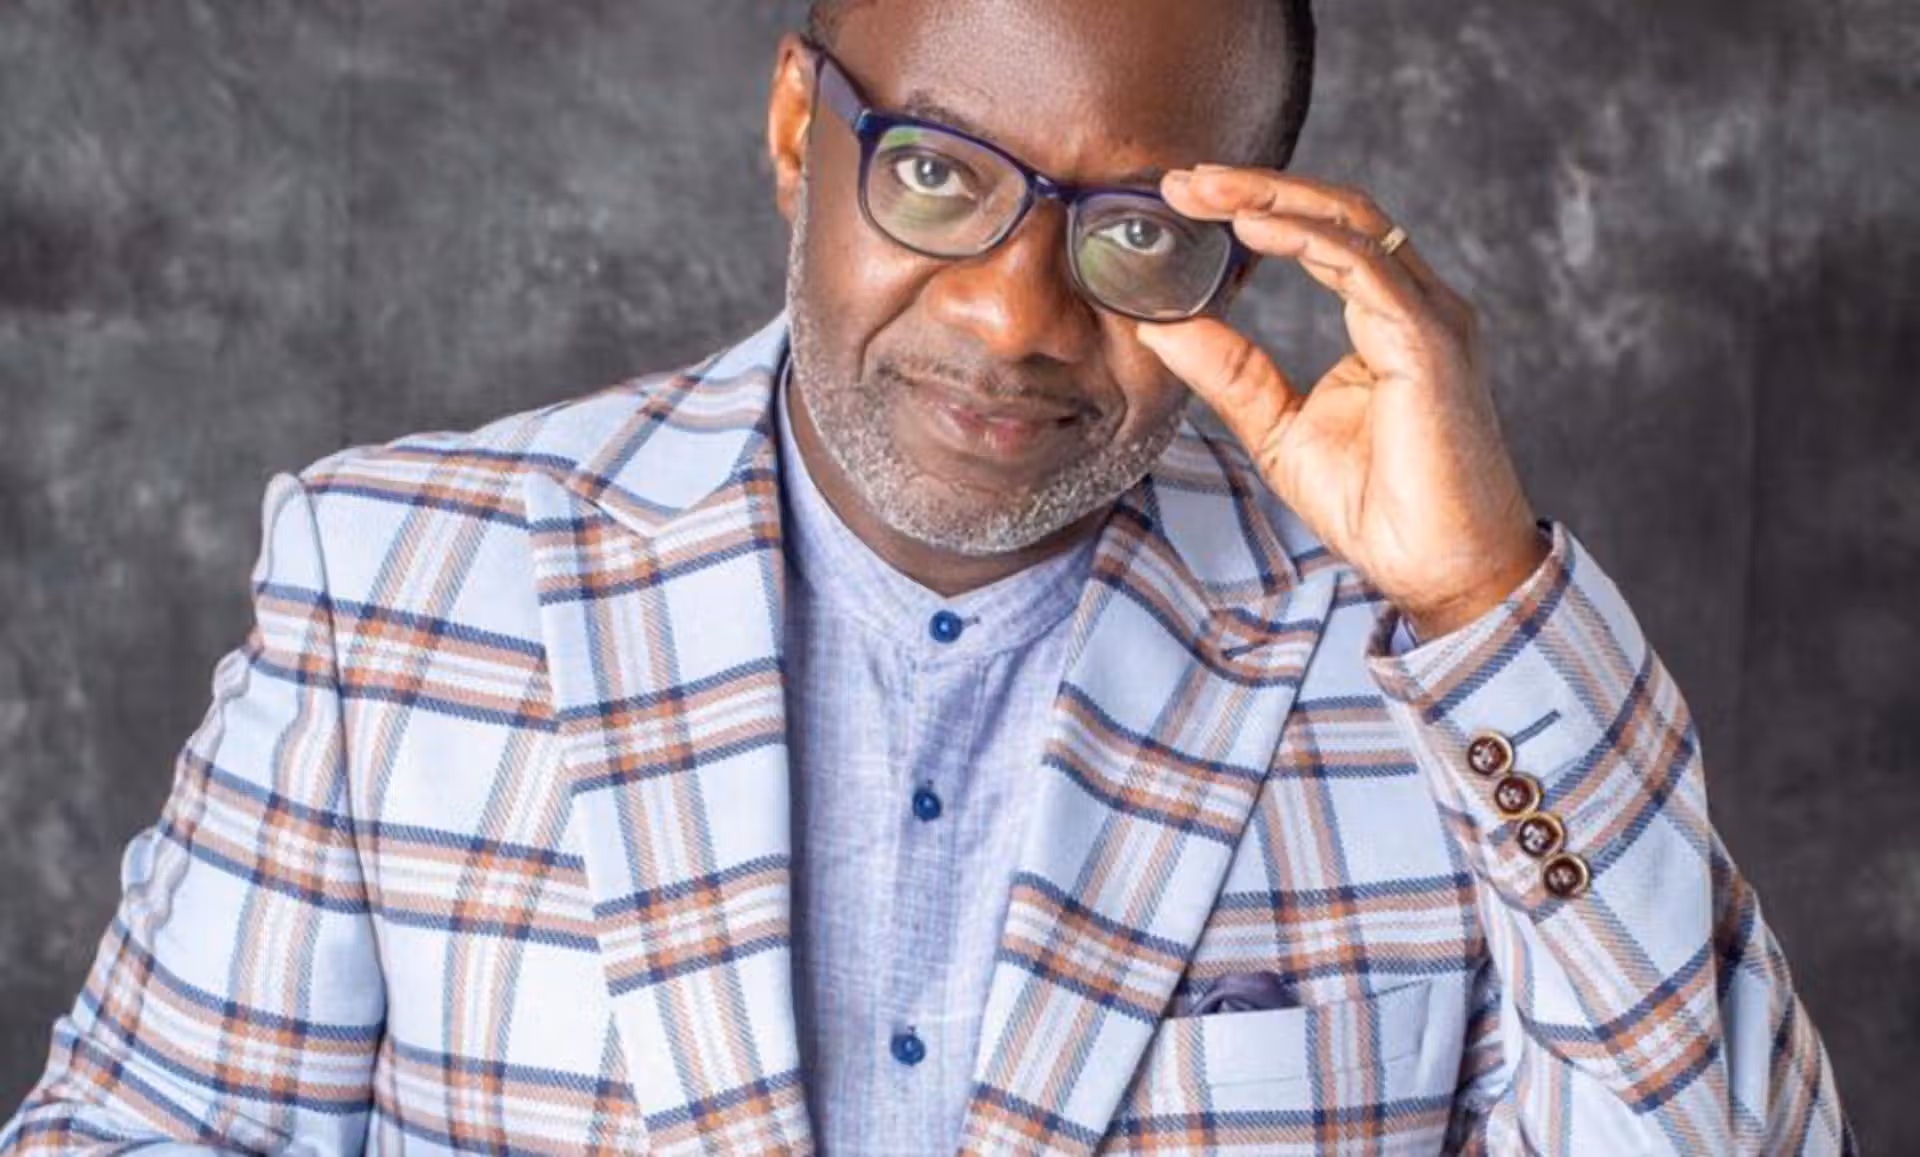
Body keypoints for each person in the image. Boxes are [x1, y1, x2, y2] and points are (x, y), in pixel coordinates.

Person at [1, 0, 1852, 1153]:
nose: (1016, 315)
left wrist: (1482, 604)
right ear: (797, 132)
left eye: (1138, 231)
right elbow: (151, 1128)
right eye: (943, 179)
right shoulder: (395, 578)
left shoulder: (1437, 665)